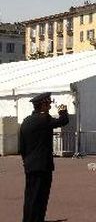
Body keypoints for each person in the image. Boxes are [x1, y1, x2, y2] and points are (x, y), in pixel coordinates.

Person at [19, 92, 69, 222]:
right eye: (48, 103)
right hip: (42, 165)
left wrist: (26, 161)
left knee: (30, 196)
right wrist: (63, 110)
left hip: (30, 165)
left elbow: (22, 147)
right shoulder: (44, 119)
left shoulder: (26, 121)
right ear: (43, 105)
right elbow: (63, 121)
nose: (49, 106)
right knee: (41, 196)